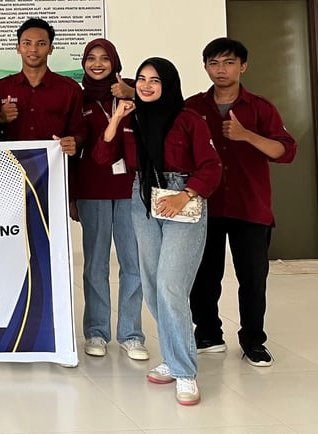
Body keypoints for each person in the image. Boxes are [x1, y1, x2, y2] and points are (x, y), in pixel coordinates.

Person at [94, 57, 222, 406]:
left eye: (155, 80)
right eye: (141, 79)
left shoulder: (189, 119)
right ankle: (172, 357)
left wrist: (185, 195)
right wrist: (116, 118)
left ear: (169, 84)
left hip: (184, 198)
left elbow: (211, 167)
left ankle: (184, 372)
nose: (146, 86)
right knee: (152, 285)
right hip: (144, 199)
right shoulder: (132, 119)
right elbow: (104, 156)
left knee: (170, 285)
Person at [186, 37, 297, 367]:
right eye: (214, 63)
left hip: (250, 206)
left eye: (229, 62)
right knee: (204, 276)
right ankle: (208, 333)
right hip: (206, 205)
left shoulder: (261, 108)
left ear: (243, 66)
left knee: (252, 278)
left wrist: (246, 134)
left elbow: (285, 151)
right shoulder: (192, 107)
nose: (221, 70)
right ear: (205, 67)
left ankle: (253, 341)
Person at [72, 39, 147, 361]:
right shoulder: (79, 98)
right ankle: (96, 332)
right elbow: (72, 148)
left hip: (131, 187)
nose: (98, 64)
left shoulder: (133, 89)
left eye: (105, 58)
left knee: (133, 263)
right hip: (92, 189)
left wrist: (133, 95)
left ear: (115, 61)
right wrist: (72, 196)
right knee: (95, 264)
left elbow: (166, 110)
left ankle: (131, 334)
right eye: (91, 58)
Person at [0, 18, 83, 155]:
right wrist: (0, 118)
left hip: (55, 164)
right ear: (18, 48)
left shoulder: (70, 89)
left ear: (50, 49)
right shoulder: (3, 87)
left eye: (41, 44)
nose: (33, 49)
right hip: (13, 165)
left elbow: (80, 132)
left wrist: (74, 142)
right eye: (27, 43)